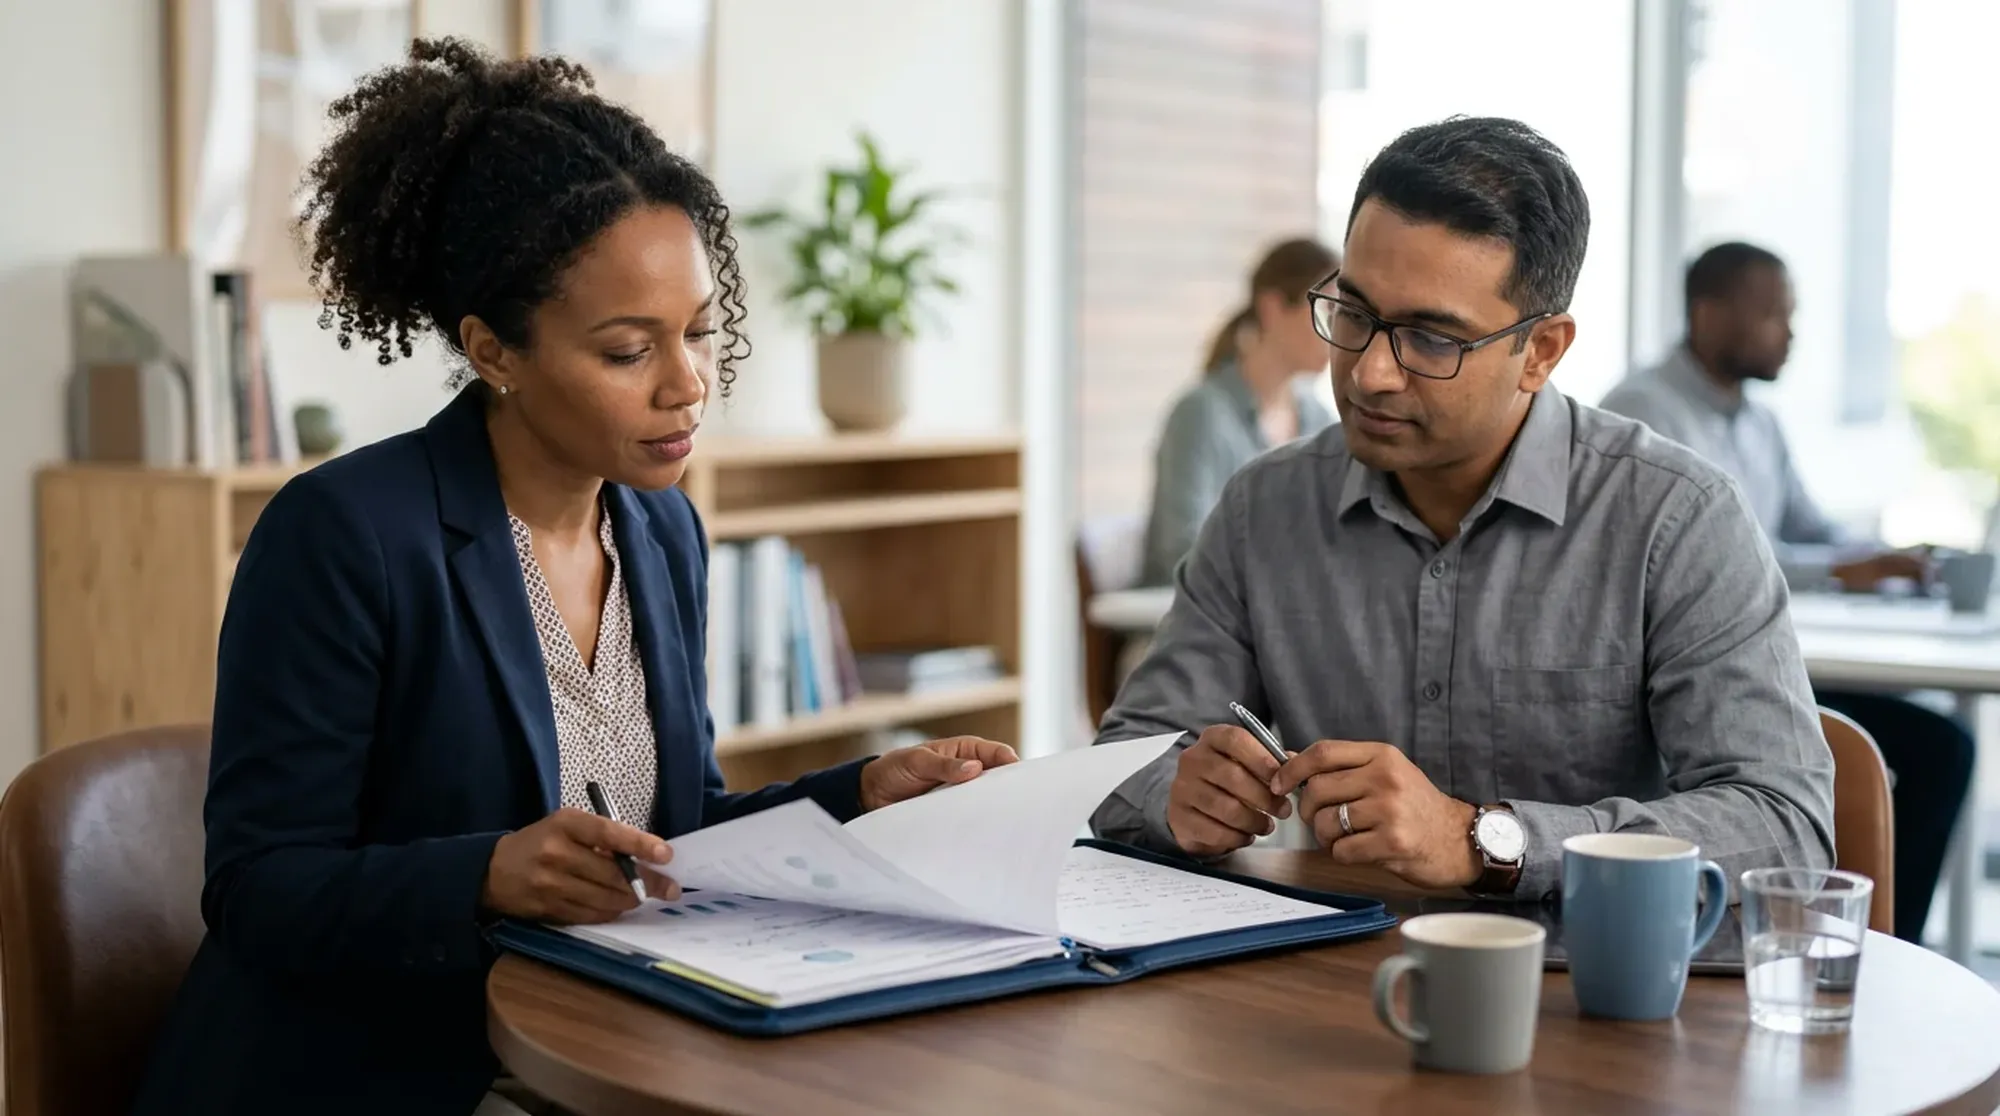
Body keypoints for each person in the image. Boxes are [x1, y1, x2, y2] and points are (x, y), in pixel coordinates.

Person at [129, 39, 1017, 1116]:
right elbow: (259, 891)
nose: (687, 385)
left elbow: (676, 826)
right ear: (493, 351)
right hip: (376, 1076)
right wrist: (484, 875)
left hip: (601, 1042)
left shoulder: (661, 530)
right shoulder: (344, 535)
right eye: (627, 351)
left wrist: (859, 793)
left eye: (700, 333)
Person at [1089, 117, 1835, 904]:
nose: (1371, 374)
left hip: (1576, 973)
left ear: (1540, 352)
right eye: (1354, 314)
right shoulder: (1263, 509)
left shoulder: (1675, 519)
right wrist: (1175, 793)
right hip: (1336, 964)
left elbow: (1785, 826)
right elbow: (1125, 759)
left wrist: (1485, 839)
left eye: (1431, 340)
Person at [1599, 241, 1974, 942]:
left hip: (1772, 657)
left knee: (1940, 742)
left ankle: (1882, 944)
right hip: (1703, 678)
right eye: (1773, 314)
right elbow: (1720, 562)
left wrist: (1878, 556)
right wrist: (1837, 572)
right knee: (1936, 747)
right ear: (1708, 315)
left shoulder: (1758, 421)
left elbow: (1807, 529)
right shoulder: (1643, 416)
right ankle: (1877, 946)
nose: (1791, 333)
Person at [1139, 238, 1340, 586]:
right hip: (1192, 611)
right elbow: (1182, 549)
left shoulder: (1318, 419)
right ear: (1273, 309)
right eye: (1327, 313)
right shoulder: (1201, 414)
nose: (1336, 334)